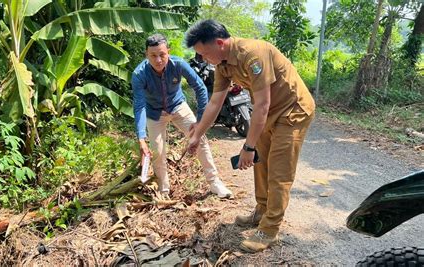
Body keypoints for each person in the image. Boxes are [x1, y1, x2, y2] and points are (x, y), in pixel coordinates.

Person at [185, 20, 316, 252]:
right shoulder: (222, 65)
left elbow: (263, 104)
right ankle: (262, 211)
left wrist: (248, 146)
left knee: (279, 171)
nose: (204, 59)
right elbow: (215, 102)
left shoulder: (253, 54)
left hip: (292, 111)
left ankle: (270, 230)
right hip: (268, 114)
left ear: (219, 43)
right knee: (261, 164)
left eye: (204, 54)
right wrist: (198, 134)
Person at [132, 33, 232, 199]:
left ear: (168, 52)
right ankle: (164, 191)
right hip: (154, 112)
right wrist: (141, 138)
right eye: (153, 56)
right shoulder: (139, 74)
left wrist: (200, 120)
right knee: (158, 151)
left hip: (178, 106)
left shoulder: (178, 64)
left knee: (200, 139)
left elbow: (200, 87)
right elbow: (139, 105)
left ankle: (215, 183)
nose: (158, 60)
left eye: (162, 54)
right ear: (146, 55)